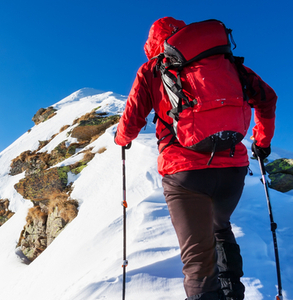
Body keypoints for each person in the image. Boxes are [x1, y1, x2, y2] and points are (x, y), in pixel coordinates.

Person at [114, 17, 277, 300]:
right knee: (221, 228)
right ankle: (233, 294)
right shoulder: (227, 63)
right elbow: (267, 99)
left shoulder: (153, 68)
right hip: (233, 169)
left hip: (184, 173)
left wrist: (121, 140)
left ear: (154, 43)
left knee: (198, 260)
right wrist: (261, 143)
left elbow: (132, 118)